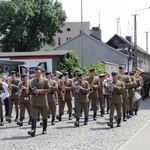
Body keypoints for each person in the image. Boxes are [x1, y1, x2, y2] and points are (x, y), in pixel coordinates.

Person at [27, 66, 51, 137]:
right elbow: (29, 90)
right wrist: (28, 91)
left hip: (43, 101)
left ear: (40, 72)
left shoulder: (45, 80)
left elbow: (48, 90)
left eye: (37, 72)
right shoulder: (31, 81)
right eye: (35, 72)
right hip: (34, 101)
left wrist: (39, 91)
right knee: (34, 115)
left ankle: (44, 129)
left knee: (44, 115)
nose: (36, 73)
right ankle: (33, 130)